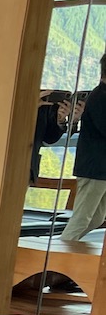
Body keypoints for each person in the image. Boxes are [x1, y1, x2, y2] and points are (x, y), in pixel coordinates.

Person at [58, 54, 106, 244]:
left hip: (101, 169)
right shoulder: (100, 97)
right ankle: (59, 254)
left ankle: (69, 248)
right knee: (82, 218)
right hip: (94, 168)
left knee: (97, 218)